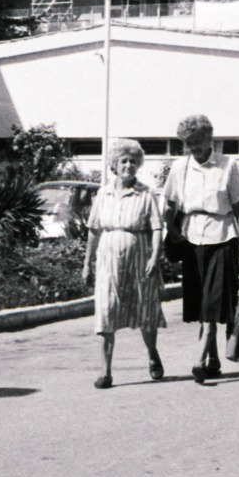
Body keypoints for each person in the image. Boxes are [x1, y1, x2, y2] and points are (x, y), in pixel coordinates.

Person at [162, 114, 239, 384]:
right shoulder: (180, 167)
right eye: (188, 143)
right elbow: (169, 204)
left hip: (222, 237)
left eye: (197, 142)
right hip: (191, 238)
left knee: (213, 301)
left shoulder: (228, 165)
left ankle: (200, 360)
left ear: (209, 139)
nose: (193, 148)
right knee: (201, 302)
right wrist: (171, 230)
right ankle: (213, 360)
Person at [81, 138, 166, 389]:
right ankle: (105, 372)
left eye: (132, 161)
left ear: (137, 164)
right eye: (123, 161)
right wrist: (87, 264)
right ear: (114, 165)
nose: (128, 165)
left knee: (145, 310)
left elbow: (157, 228)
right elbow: (93, 230)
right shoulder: (103, 193)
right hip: (108, 257)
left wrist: (154, 258)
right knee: (106, 311)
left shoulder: (145, 193)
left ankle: (152, 355)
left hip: (139, 255)